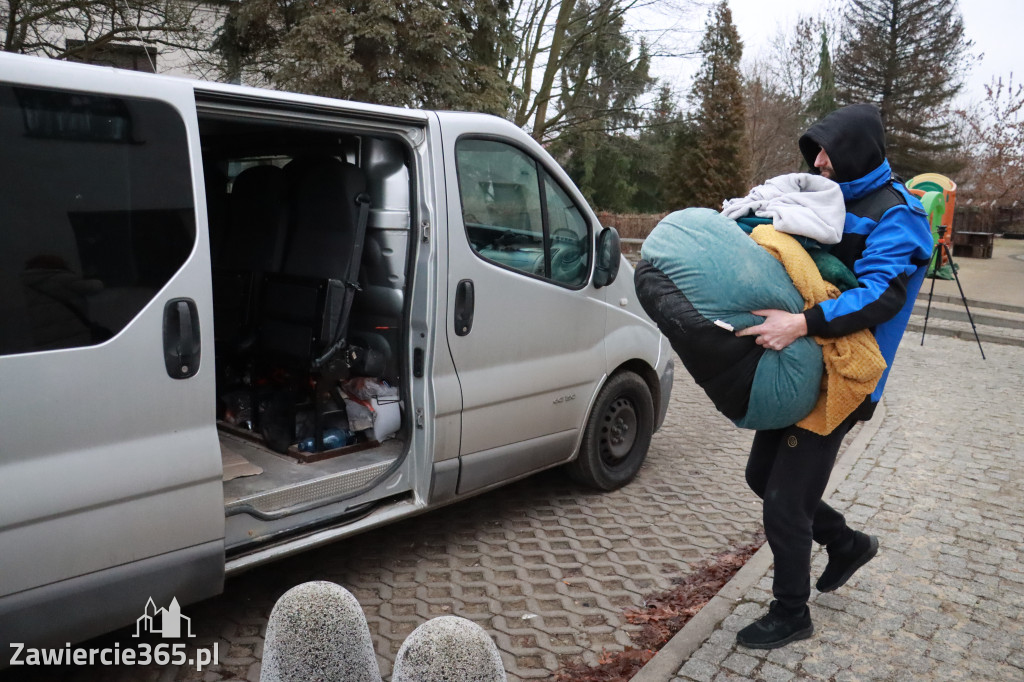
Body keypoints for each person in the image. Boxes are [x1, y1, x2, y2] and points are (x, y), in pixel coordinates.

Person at [732, 103, 934, 649]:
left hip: (845, 378)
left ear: (857, 151)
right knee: (761, 476)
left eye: (827, 152)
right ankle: (846, 545)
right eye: (815, 152)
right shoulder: (829, 197)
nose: (818, 162)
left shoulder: (898, 214)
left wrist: (800, 323)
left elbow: (880, 296)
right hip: (803, 363)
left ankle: (791, 612)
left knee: (786, 500)